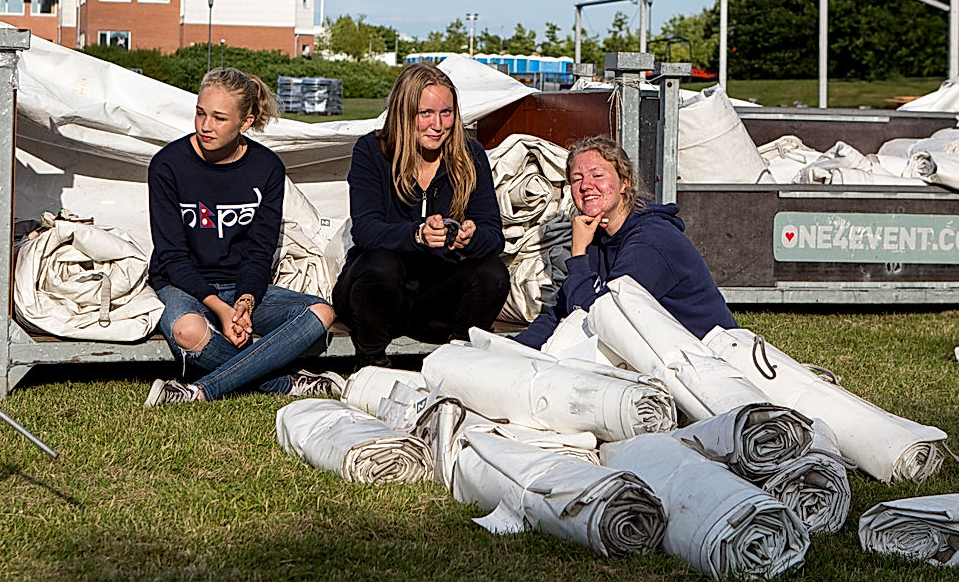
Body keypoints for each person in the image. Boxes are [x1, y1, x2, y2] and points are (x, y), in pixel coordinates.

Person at [143, 67, 339, 406]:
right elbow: (172, 256)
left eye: (219, 118)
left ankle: (200, 390)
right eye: (200, 113)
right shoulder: (167, 165)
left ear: (245, 122)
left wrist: (245, 301)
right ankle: (282, 384)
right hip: (181, 284)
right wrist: (220, 308)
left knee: (321, 313)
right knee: (187, 331)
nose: (206, 126)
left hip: (240, 286)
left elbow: (260, 251)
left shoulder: (268, 169)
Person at [332, 63, 510, 368]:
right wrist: (418, 235)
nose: (438, 125)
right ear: (404, 112)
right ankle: (372, 364)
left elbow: (494, 235)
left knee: (493, 273)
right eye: (425, 113)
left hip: (433, 297)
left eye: (446, 113)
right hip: (375, 295)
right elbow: (365, 230)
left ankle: (460, 362)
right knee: (380, 263)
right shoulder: (372, 151)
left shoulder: (470, 154)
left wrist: (471, 237)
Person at [514, 135, 737, 350]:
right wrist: (508, 349)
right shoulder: (599, 237)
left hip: (706, 360)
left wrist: (579, 254)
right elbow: (563, 311)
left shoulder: (651, 241)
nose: (585, 185)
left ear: (624, 183)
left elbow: (600, 320)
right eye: (576, 179)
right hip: (655, 352)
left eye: (597, 175)